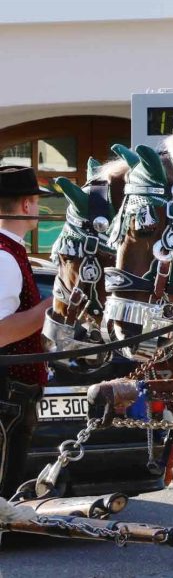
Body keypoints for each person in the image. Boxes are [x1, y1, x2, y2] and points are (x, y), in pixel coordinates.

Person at [0, 165, 51, 496]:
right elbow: (1, 333)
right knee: (5, 492)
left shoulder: (11, 251)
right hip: (8, 394)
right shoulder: (4, 256)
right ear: (26, 204)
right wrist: (51, 306)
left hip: (13, 394)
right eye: (37, 201)